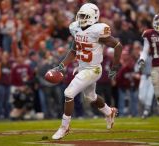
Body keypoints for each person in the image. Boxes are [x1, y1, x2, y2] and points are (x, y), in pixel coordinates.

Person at [51, 3, 123, 140]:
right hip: (83, 68)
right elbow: (73, 50)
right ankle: (109, 112)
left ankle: (64, 127)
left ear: (93, 17)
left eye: (85, 16)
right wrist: (61, 65)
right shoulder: (75, 28)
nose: (81, 18)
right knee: (90, 97)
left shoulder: (98, 31)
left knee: (68, 93)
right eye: (81, 15)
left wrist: (115, 67)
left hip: (94, 69)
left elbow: (118, 46)